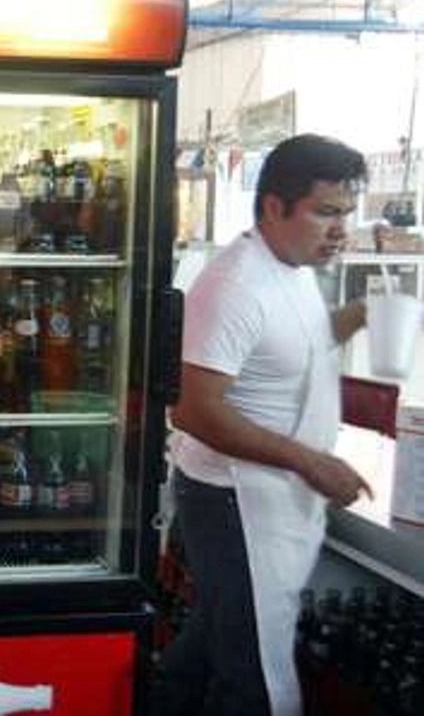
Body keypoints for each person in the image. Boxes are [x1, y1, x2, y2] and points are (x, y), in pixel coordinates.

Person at [156, 134, 372, 716]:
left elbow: (292, 343)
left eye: (346, 214)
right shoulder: (236, 285)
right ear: (275, 206)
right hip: (234, 501)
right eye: (325, 213)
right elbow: (193, 409)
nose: (340, 230)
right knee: (254, 671)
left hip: (269, 495)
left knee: (218, 639)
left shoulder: (291, 269)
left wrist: (360, 316)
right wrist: (311, 462)